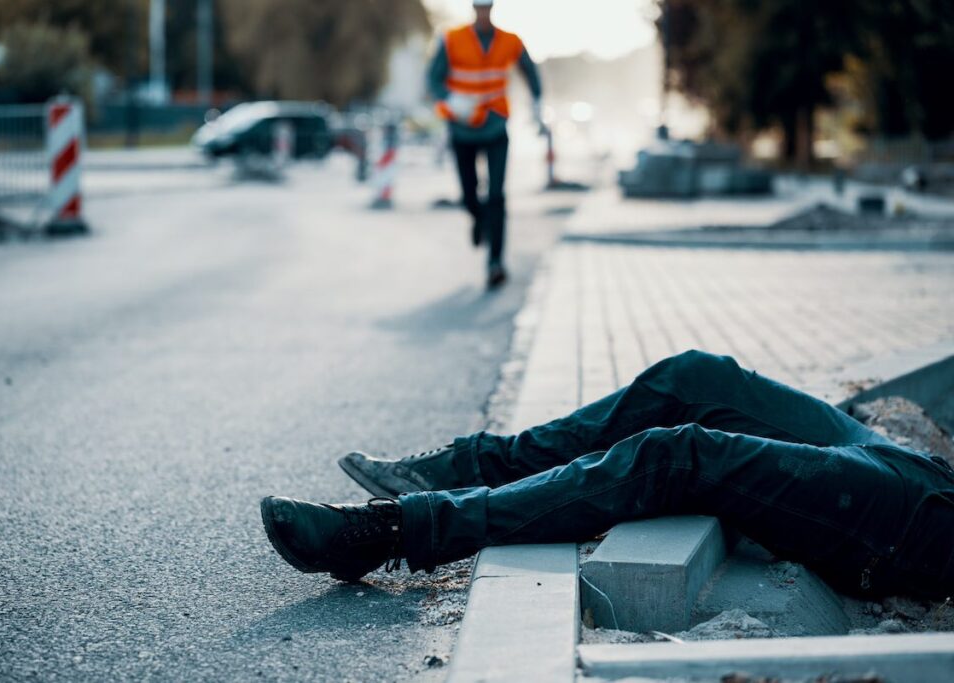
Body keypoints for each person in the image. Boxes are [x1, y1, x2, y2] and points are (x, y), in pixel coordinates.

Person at [260, 350, 954, 601]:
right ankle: (461, 466)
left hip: (926, 525)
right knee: (694, 376)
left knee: (674, 455)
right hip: (914, 464)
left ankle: (395, 529)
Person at [428, 0, 544, 289]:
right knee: (469, 195)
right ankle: (479, 218)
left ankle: (495, 262)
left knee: (497, 196)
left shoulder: (509, 40)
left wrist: (537, 102)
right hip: (462, 129)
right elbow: (433, 78)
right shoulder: (452, 39)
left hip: (495, 127)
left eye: (486, 8)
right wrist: (451, 99)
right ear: (473, 9)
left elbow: (530, 73)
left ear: (491, 9)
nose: (483, 13)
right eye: (478, 8)